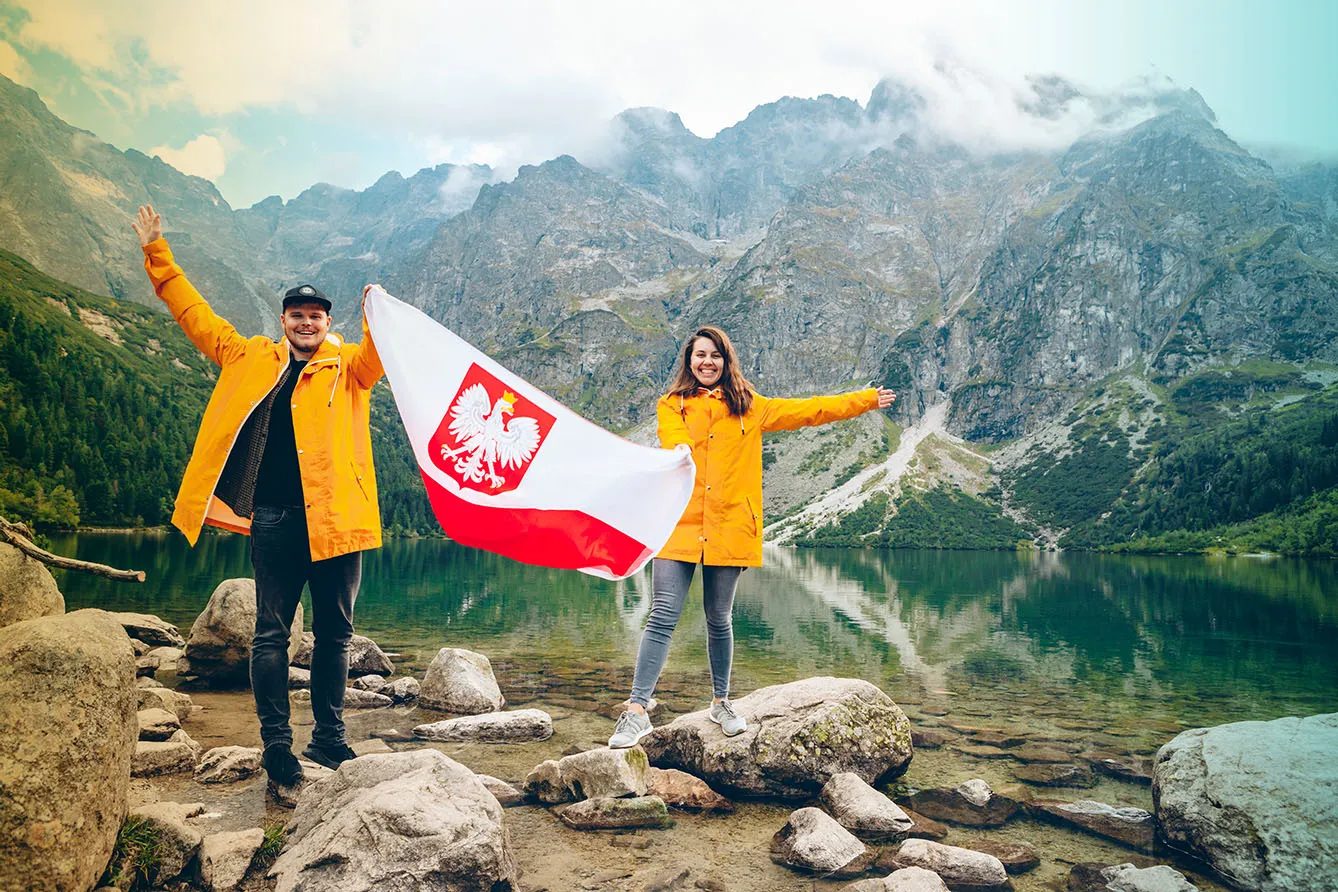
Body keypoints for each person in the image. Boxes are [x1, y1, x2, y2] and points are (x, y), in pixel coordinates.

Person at [132, 205, 384, 797]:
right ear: (283, 320)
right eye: (297, 315)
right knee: (271, 635)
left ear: (328, 321)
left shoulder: (349, 367)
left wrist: (380, 317)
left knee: (336, 635)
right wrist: (157, 255)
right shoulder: (249, 357)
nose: (306, 323)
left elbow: (380, 355)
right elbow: (195, 317)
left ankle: (328, 734)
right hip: (273, 521)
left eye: (316, 315)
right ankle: (276, 745)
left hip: (340, 523)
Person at [608, 326, 895, 747]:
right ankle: (636, 710)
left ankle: (721, 702)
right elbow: (671, 436)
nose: (707, 362)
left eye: (715, 356)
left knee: (718, 619)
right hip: (680, 522)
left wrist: (865, 400)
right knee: (663, 614)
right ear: (689, 360)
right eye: (699, 355)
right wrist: (680, 448)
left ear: (726, 361)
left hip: (729, 526)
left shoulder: (750, 407)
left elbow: (810, 410)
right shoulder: (672, 404)